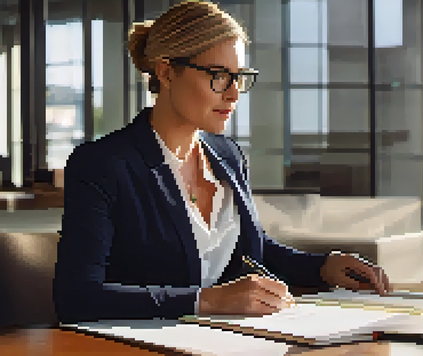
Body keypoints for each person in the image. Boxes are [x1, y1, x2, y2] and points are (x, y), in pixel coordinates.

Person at [53, 0, 391, 324]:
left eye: (239, 77)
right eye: (218, 75)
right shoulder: (102, 165)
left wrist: (324, 267)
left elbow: (251, 248)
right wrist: (208, 300)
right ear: (167, 72)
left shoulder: (227, 156)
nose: (232, 93)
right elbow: (77, 297)